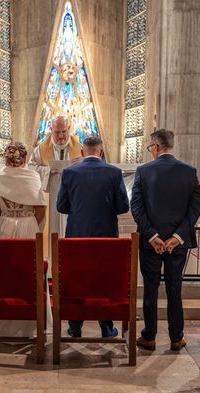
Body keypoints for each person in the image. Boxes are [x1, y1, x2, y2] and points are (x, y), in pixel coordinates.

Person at [130, 129, 200, 352]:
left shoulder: (143, 171)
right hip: (177, 244)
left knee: (150, 288)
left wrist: (152, 235)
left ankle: (149, 336)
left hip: (150, 243)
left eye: (151, 148)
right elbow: (195, 208)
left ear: (156, 147)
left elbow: (137, 207)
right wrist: (177, 237)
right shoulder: (189, 172)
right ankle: (176, 337)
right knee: (174, 288)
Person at [56, 135, 129, 338]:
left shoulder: (70, 172)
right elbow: (123, 206)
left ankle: (75, 326)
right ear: (101, 151)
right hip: (106, 237)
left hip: (77, 236)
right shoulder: (114, 173)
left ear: (82, 152)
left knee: (77, 278)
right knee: (104, 279)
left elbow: (61, 206)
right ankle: (106, 327)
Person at [0, 141, 48, 337]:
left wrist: (5, 221)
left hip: (6, 225)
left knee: (3, 271)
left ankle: (2, 323)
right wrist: (28, 222)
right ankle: (29, 324)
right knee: (28, 271)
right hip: (28, 224)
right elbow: (40, 209)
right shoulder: (32, 176)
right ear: (25, 159)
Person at [28, 115, 83, 237]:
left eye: (64, 131)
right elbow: (30, 168)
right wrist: (47, 170)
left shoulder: (80, 149)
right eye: (57, 132)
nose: (61, 136)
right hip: (50, 195)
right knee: (52, 226)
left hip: (73, 196)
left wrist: (80, 165)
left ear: (69, 128)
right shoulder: (40, 149)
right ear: (50, 130)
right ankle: (52, 254)